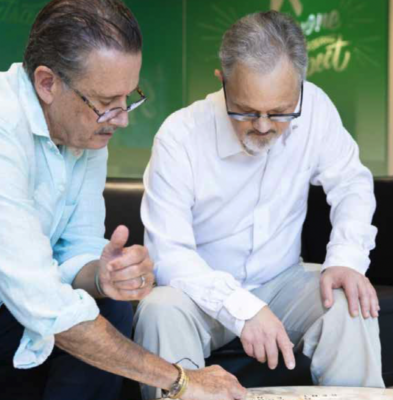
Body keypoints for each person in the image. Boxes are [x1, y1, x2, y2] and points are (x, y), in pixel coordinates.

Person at [0, 1, 246, 400]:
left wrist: (105, 275)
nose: (123, 118)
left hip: (7, 312)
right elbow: (43, 302)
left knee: (111, 303)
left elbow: (75, 250)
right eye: (106, 102)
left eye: (128, 98)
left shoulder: (83, 131)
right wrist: (181, 380)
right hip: (16, 304)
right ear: (47, 83)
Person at [135, 10, 385, 400]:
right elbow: (169, 254)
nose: (265, 126)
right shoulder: (179, 136)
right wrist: (242, 308)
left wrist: (346, 258)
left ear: (300, 86)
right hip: (198, 293)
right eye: (247, 111)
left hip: (282, 280)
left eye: (281, 112)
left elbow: (351, 182)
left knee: (348, 301)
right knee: (158, 310)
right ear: (222, 82)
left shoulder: (316, 108)